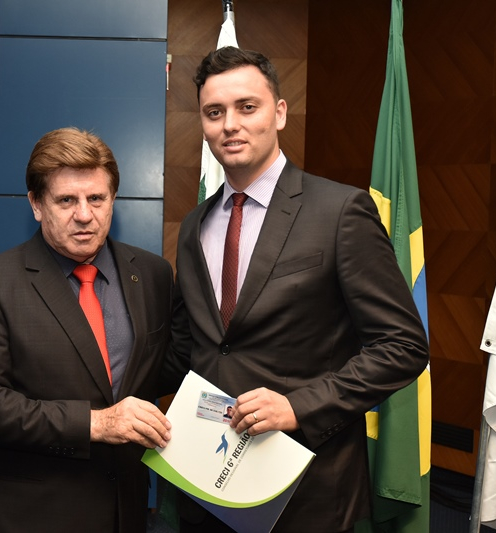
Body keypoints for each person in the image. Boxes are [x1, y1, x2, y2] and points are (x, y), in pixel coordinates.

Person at [162, 47, 430, 533]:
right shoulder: (194, 226)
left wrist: (298, 406)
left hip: (307, 490)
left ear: (280, 113)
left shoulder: (341, 212)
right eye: (214, 112)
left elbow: (403, 346)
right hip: (207, 487)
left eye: (247, 107)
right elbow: (191, 348)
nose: (230, 125)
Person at [0, 127, 174, 532]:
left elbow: (164, 368)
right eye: (66, 200)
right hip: (25, 516)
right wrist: (98, 423)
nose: (84, 215)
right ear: (36, 204)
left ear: (113, 200)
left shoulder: (152, 273)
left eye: (96, 199)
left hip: (124, 512)